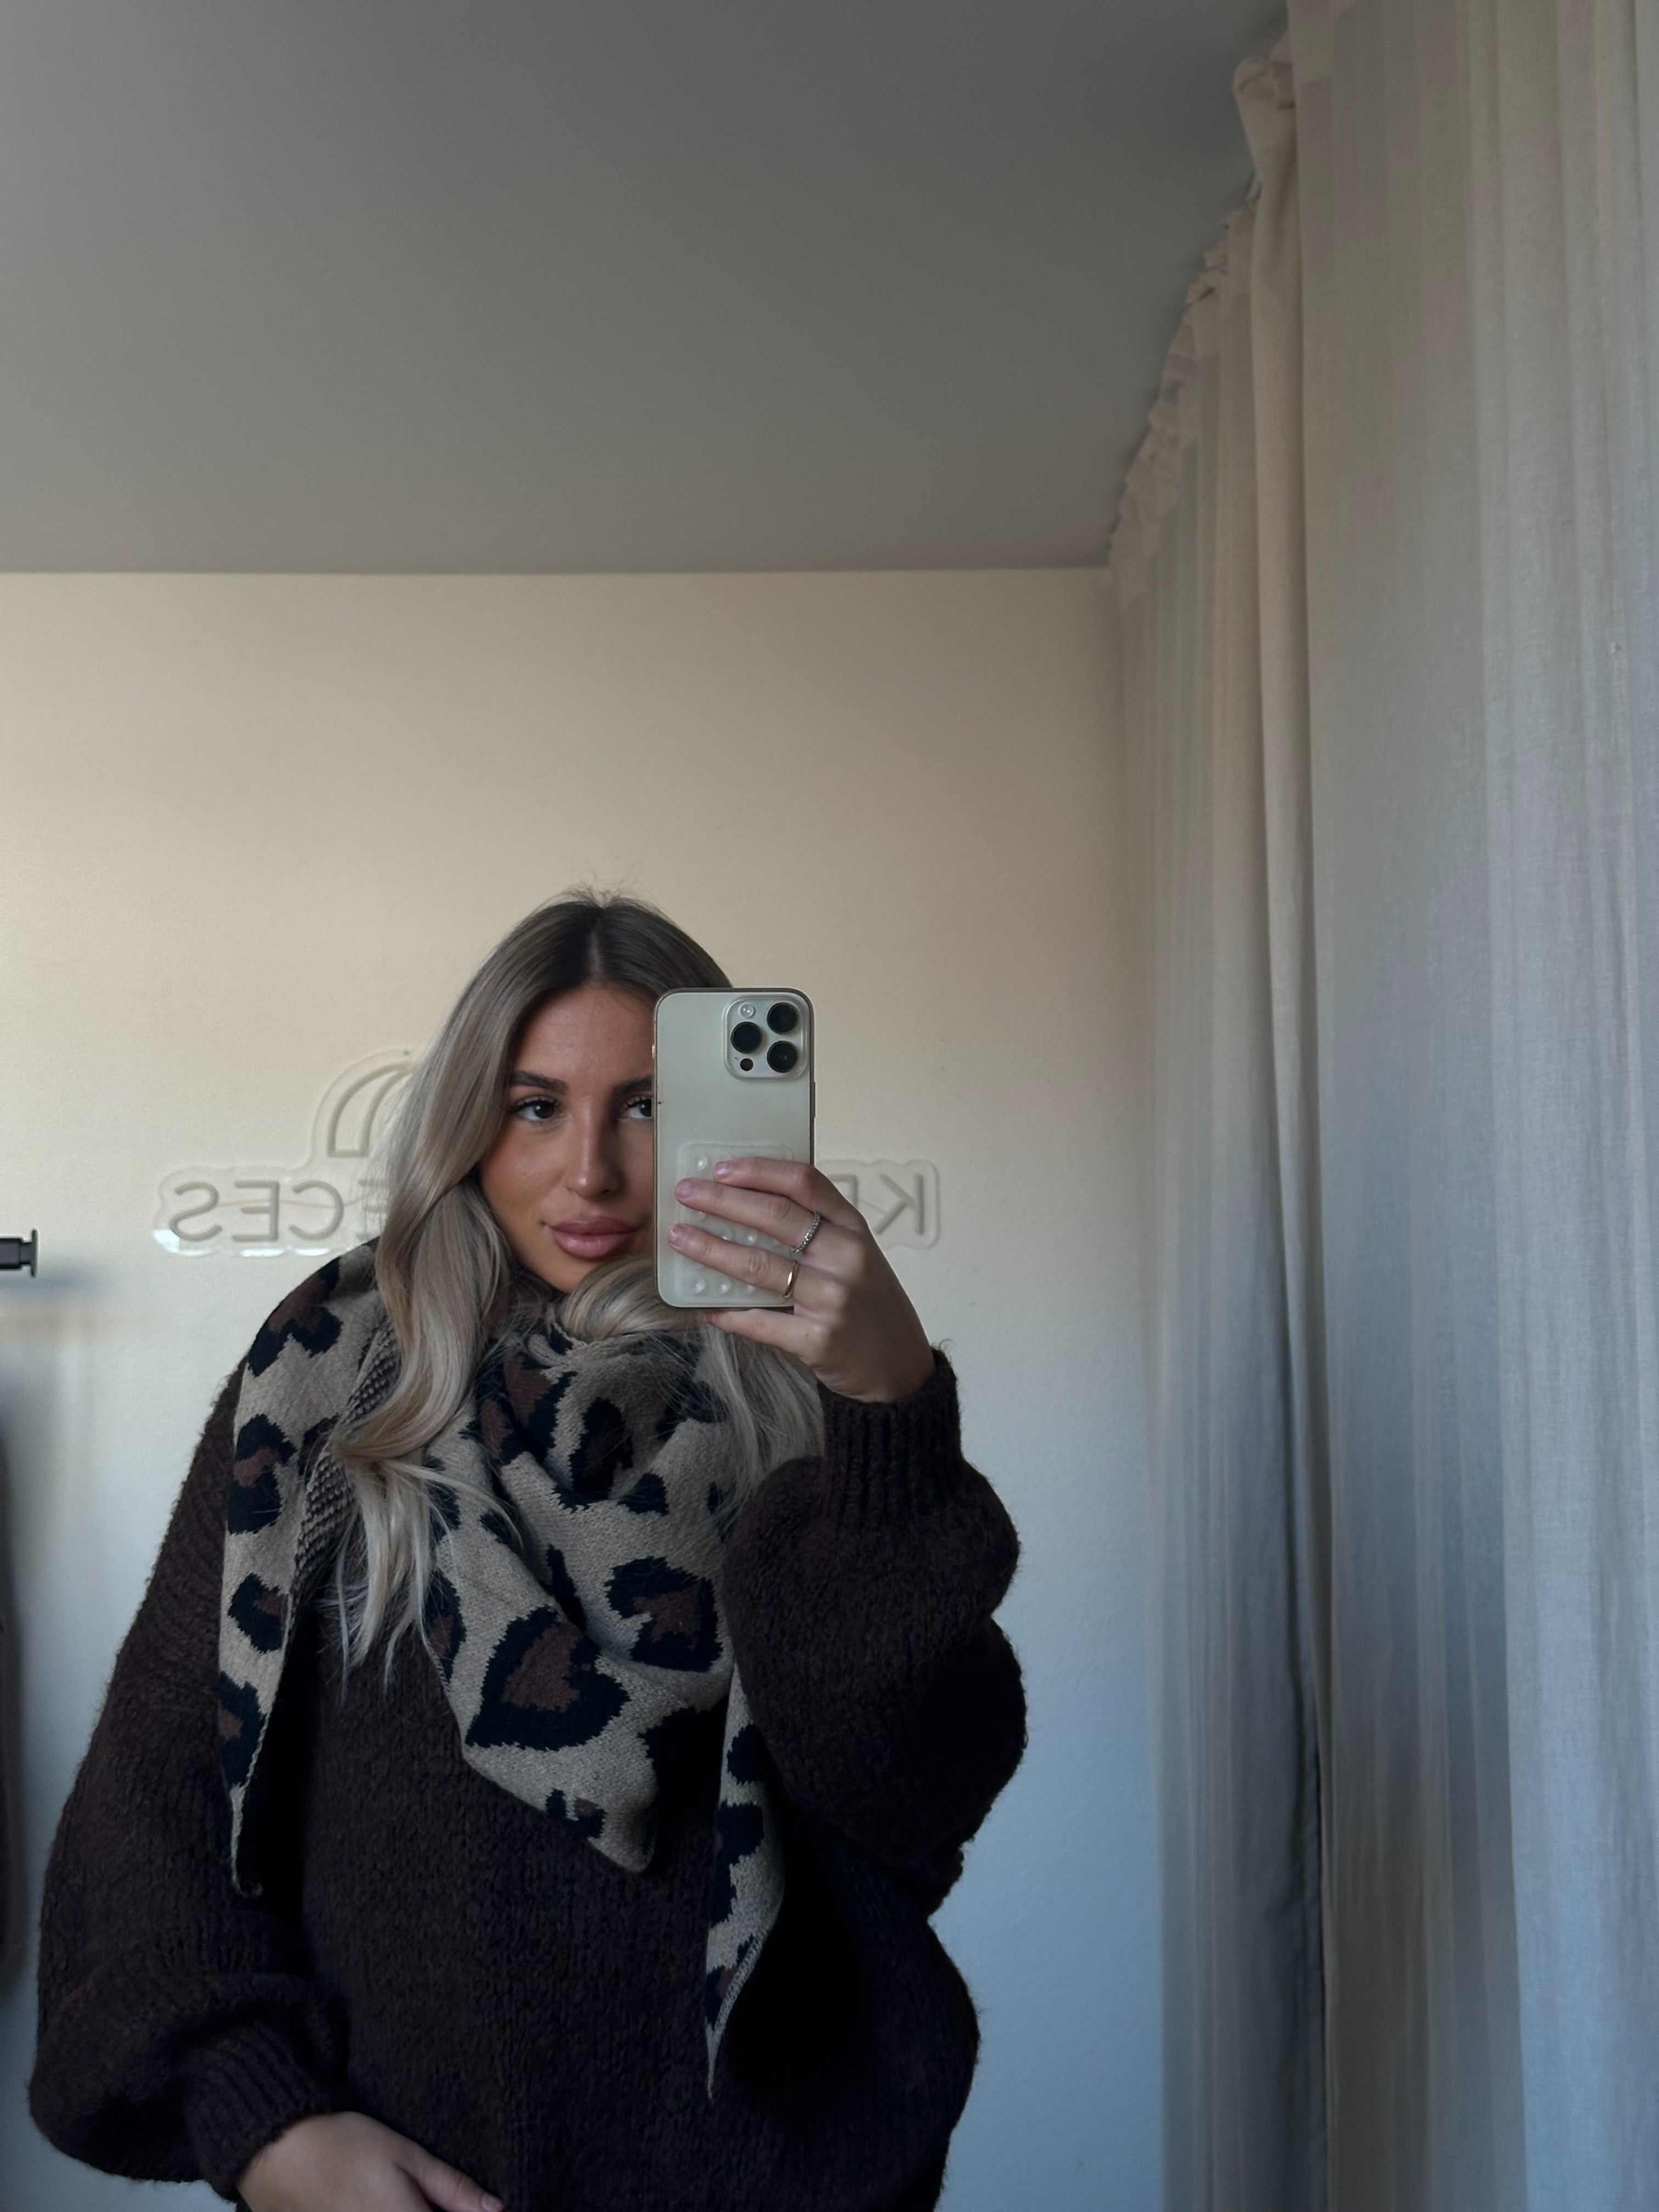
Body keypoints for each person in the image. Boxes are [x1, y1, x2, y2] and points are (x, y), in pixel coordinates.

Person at [27, 891, 1027, 2212]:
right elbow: (157, 1804)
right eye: (537, 1106)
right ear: (465, 1125)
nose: (592, 1172)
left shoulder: (813, 1411)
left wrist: (888, 1411)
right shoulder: (329, 1388)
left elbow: (909, 1801)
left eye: (649, 1105)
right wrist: (264, 2124)